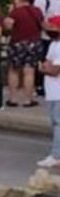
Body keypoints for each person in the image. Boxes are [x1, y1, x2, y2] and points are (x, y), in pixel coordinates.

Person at [5, 0, 44, 108]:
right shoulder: (37, 11)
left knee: (13, 70)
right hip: (34, 42)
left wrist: (9, 14)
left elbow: (8, 27)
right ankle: (28, 99)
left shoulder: (15, 12)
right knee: (29, 71)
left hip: (18, 42)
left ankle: (13, 99)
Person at [38, 22, 60, 168]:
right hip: (52, 91)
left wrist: (44, 68)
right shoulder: (53, 44)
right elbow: (47, 62)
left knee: (58, 123)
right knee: (54, 122)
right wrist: (46, 66)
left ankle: (56, 155)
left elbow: (54, 70)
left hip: (58, 91)